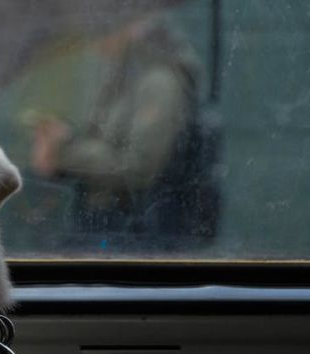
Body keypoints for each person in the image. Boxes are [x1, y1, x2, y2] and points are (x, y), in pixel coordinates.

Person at [29, 15, 219, 253]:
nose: (94, 43)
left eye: (101, 30)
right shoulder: (121, 74)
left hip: (135, 232)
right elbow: (102, 139)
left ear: (132, 27)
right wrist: (61, 141)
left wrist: (65, 153)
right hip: (103, 222)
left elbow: (139, 167)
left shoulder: (159, 82)